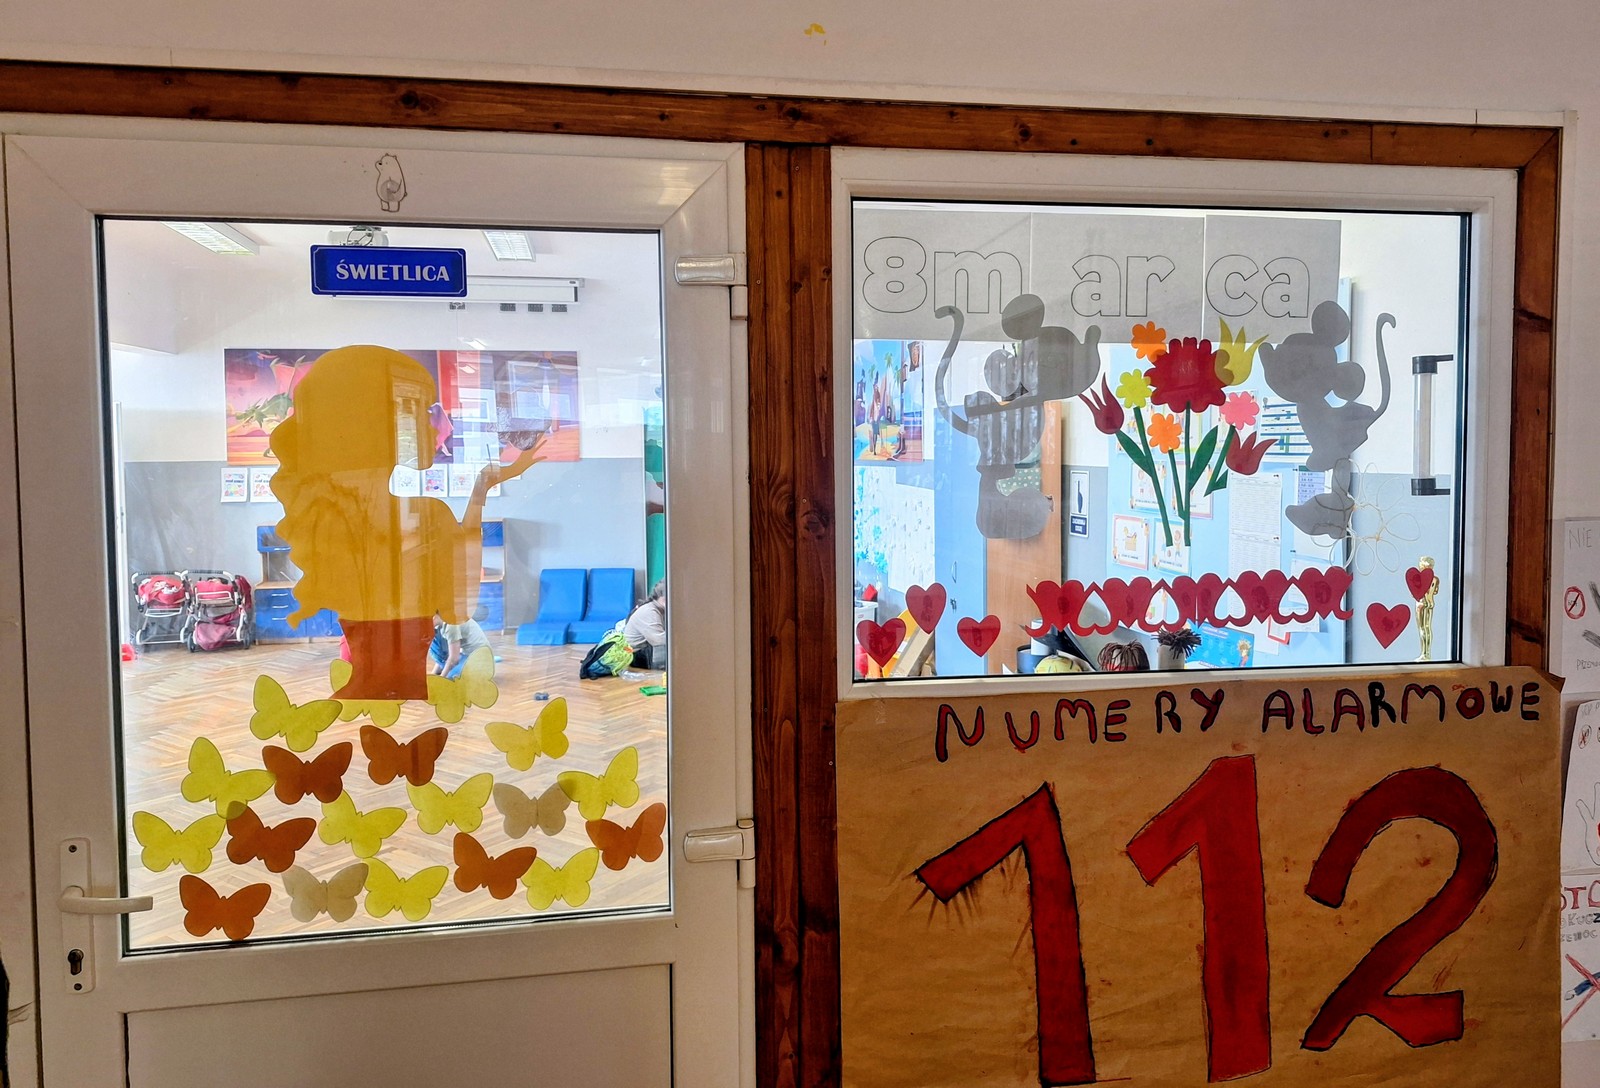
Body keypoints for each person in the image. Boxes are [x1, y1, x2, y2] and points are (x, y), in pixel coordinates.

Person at [429, 613, 491, 678]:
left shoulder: (451, 625)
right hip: (467, 654)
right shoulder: (442, 623)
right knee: (435, 637)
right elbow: (448, 654)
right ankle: (446, 668)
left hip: (480, 658)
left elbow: (454, 659)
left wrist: (442, 677)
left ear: (434, 617)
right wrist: (433, 674)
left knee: (452, 678)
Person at [623, 580, 667, 669]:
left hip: (646, 652)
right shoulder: (649, 611)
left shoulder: (660, 609)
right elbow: (659, 641)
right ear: (664, 598)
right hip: (636, 655)